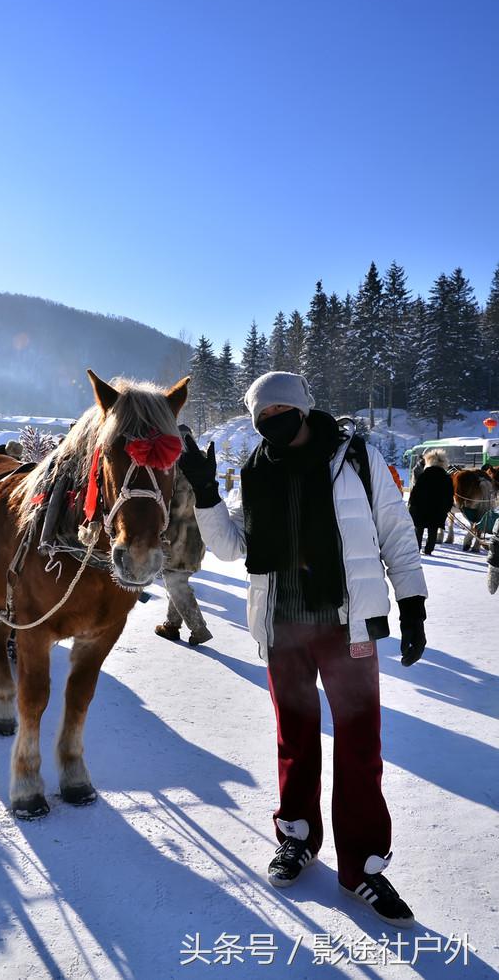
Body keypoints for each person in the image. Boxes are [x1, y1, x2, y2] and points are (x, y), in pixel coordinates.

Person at [179, 371, 428, 927]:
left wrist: (410, 602)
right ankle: (297, 838)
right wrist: (204, 494)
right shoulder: (255, 469)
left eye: (279, 412)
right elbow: (230, 547)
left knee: (360, 745)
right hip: (283, 627)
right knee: (295, 740)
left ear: (301, 408)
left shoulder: (354, 458)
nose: (271, 423)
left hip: (346, 628)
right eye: (261, 417)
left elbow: (394, 529)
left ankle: (362, 868)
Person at [155, 425, 213, 646]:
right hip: (197, 535)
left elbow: (171, 506)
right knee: (177, 579)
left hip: (176, 536)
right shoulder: (203, 463)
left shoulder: (174, 468)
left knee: (175, 581)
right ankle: (171, 626)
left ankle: (199, 629)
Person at [407, 449, 454, 555]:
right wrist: (445, 509)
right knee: (433, 531)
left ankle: (416, 548)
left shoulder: (423, 476)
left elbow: (415, 493)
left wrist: (411, 506)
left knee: (419, 530)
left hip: (421, 510)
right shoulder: (446, 478)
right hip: (437, 511)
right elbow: (449, 497)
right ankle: (429, 549)